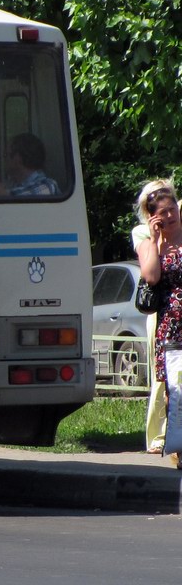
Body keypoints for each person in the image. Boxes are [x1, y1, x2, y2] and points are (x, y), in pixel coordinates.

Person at [134, 180, 177, 455]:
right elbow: (151, 276)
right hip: (171, 323)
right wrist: (156, 240)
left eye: (172, 207)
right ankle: (171, 442)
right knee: (171, 386)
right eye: (163, 212)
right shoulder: (146, 238)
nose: (170, 215)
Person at [0, 126, 60, 196]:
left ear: (18, 159)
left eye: (6, 155)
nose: (4, 160)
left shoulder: (46, 187)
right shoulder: (14, 183)